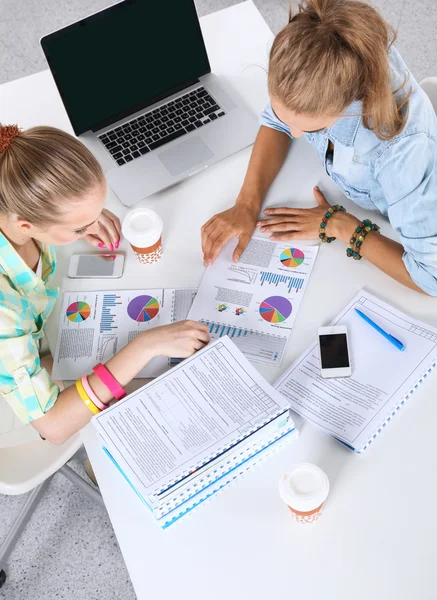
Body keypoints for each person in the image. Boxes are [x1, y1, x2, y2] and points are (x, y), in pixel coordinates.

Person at [201, 0, 437, 296]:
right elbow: (279, 123)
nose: (295, 132)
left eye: (313, 128)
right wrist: (246, 204)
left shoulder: (402, 154)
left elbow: (430, 277)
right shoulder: (322, 53)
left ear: (352, 101)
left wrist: (340, 226)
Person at [0, 124, 210, 445]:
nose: (93, 225)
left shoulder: (13, 170)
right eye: (79, 227)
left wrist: (84, 217)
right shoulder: (6, 310)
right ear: (27, 224)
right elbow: (53, 426)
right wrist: (145, 345)